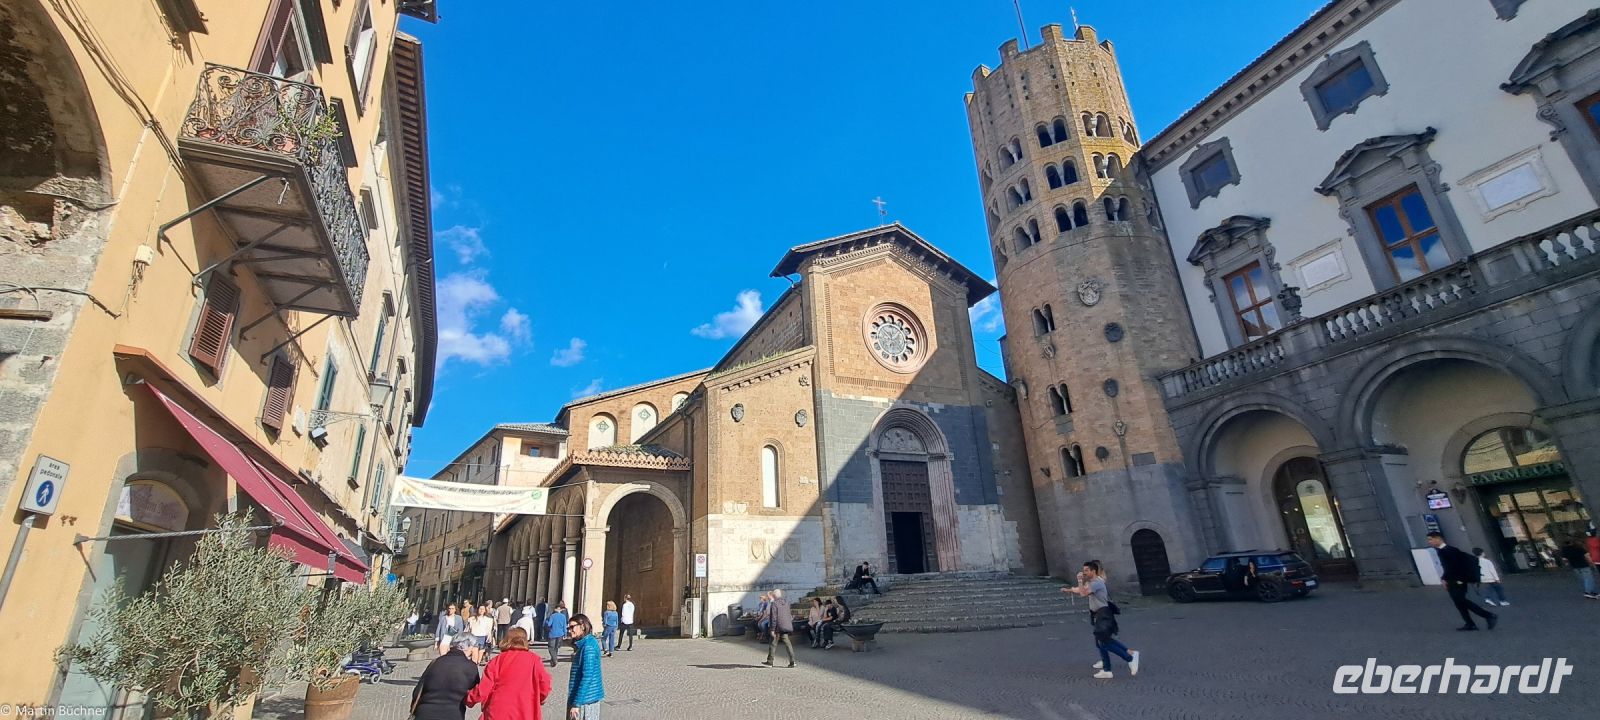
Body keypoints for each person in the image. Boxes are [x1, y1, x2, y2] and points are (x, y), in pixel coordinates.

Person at [1063, 560, 1139, 679]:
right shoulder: (1093, 582)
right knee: (1101, 642)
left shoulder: (1096, 582)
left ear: (1093, 571)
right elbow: (1081, 590)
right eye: (1083, 571)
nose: (1084, 573)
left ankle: (1129, 658)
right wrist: (1070, 590)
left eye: (1086, 570)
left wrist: (1079, 580)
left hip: (1103, 614)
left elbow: (1083, 593)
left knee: (1104, 642)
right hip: (1098, 614)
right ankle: (1108, 668)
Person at [466, 627, 552, 720]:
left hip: (499, 711)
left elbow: (484, 688)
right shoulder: (535, 660)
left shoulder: (497, 660)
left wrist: (468, 698)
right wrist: (539, 698)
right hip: (525, 710)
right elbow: (545, 684)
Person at [1427, 532, 1498, 630]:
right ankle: (1470, 623)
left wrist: (1444, 578)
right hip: (1455, 579)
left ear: (1438, 538)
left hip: (1457, 580)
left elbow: (1452, 567)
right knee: (1458, 602)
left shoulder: (1448, 550)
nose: (1429, 542)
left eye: (1430, 539)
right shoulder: (1444, 550)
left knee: (1460, 600)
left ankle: (1488, 615)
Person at [411, 633, 480, 720]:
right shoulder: (470, 667)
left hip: (425, 712)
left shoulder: (435, 662)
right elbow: (474, 693)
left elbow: (417, 691)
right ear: (470, 647)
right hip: (452, 713)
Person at [566, 614, 606, 720]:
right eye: (568, 628)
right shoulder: (584, 644)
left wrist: (576, 704)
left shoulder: (588, 646)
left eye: (572, 627)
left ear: (582, 626)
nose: (569, 630)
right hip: (583, 697)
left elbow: (587, 677)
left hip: (586, 700)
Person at [761, 588, 796, 668]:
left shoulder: (774, 604)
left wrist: (772, 629)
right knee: (788, 644)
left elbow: (773, 617)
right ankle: (792, 661)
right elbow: (788, 614)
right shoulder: (787, 602)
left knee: (773, 644)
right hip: (785, 625)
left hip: (777, 627)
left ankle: (770, 662)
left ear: (774, 595)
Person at [544, 601, 569, 667]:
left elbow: (549, 624)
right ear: (560, 610)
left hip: (553, 633)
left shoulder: (552, 616)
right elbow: (564, 626)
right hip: (560, 634)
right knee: (556, 648)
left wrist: (546, 621)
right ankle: (553, 660)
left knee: (551, 647)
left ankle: (554, 659)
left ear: (555, 609)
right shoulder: (563, 617)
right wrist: (565, 634)